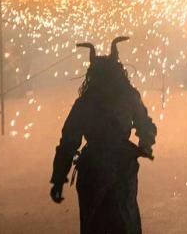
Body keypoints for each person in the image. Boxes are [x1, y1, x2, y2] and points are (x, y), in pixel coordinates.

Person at [50, 36, 157, 234]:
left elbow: (69, 141)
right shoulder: (128, 96)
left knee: (94, 224)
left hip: (93, 168)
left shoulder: (86, 102)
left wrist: (58, 178)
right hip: (122, 165)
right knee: (126, 221)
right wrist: (146, 144)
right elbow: (145, 125)